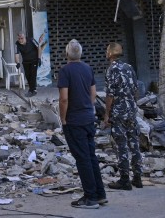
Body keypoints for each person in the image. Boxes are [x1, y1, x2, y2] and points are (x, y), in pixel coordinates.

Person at [58, 39, 106, 209]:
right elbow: (93, 94)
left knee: (82, 158)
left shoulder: (65, 71)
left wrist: (63, 118)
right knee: (91, 156)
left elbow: (64, 99)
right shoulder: (87, 68)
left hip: (74, 120)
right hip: (88, 118)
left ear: (66, 54)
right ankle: (100, 194)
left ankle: (90, 197)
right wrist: (88, 108)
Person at [103, 42, 143, 190]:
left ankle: (124, 179)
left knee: (121, 145)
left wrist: (107, 114)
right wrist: (133, 105)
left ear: (111, 53)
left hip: (119, 112)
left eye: (107, 50)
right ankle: (137, 177)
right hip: (131, 110)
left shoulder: (111, 70)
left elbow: (110, 95)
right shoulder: (129, 67)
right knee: (134, 143)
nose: (106, 53)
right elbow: (136, 89)